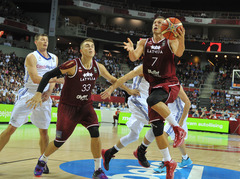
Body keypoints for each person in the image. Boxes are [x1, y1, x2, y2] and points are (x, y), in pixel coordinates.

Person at [26, 38, 139, 178]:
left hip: (85, 106)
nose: (91, 48)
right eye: (87, 46)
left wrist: (128, 91)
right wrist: (38, 93)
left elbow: (113, 80)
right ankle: (43, 160)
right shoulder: (72, 65)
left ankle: (97, 170)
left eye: (92, 46)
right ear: (81, 51)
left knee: (95, 132)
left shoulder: (98, 66)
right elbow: (48, 75)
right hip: (68, 107)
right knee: (59, 141)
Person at [123, 16, 186, 179]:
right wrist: (131, 50)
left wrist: (181, 36)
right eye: (154, 22)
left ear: (166, 27)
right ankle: (169, 161)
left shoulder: (169, 40)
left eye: (160, 22)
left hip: (168, 83)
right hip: (154, 86)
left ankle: (178, 130)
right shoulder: (145, 42)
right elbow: (134, 57)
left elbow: (179, 52)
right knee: (157, 128)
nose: (156, 24)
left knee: (152, 101)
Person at [101, 65, 192, 173]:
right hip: (138, 101)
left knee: (133, 135)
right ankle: (154, 156)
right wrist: (127, 90)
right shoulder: (145, 67)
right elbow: (124, 78)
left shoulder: (162, 74)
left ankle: (109, 153)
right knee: (157, 126)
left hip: (146, 104)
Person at [0, 33, 59, 174]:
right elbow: (35, 78)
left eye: (46, 40)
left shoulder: (54, 58)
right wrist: (55, 81)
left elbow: (54, 76)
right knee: (11, 129)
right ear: (36, 42)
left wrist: (49, 92)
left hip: (44, 98)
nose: (45, 42)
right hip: (30, 95)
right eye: (42, 40)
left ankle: (43, 162)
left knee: (44, 131)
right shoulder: (31, 57)